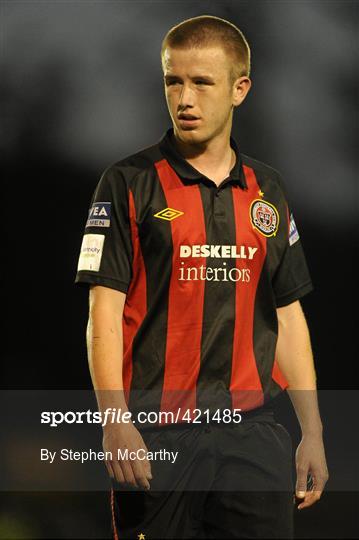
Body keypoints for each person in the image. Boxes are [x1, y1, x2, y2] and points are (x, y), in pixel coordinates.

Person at [75, 15, 329, 540]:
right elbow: (104, 311)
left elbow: (286, 314)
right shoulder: (128, 183)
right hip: (156, 434)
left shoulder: (268, 190)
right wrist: (113, 419)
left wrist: (313, 431)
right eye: (173, 80)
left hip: (253, 436)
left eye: (202, 82)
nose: (184, 98)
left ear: (240, 89)